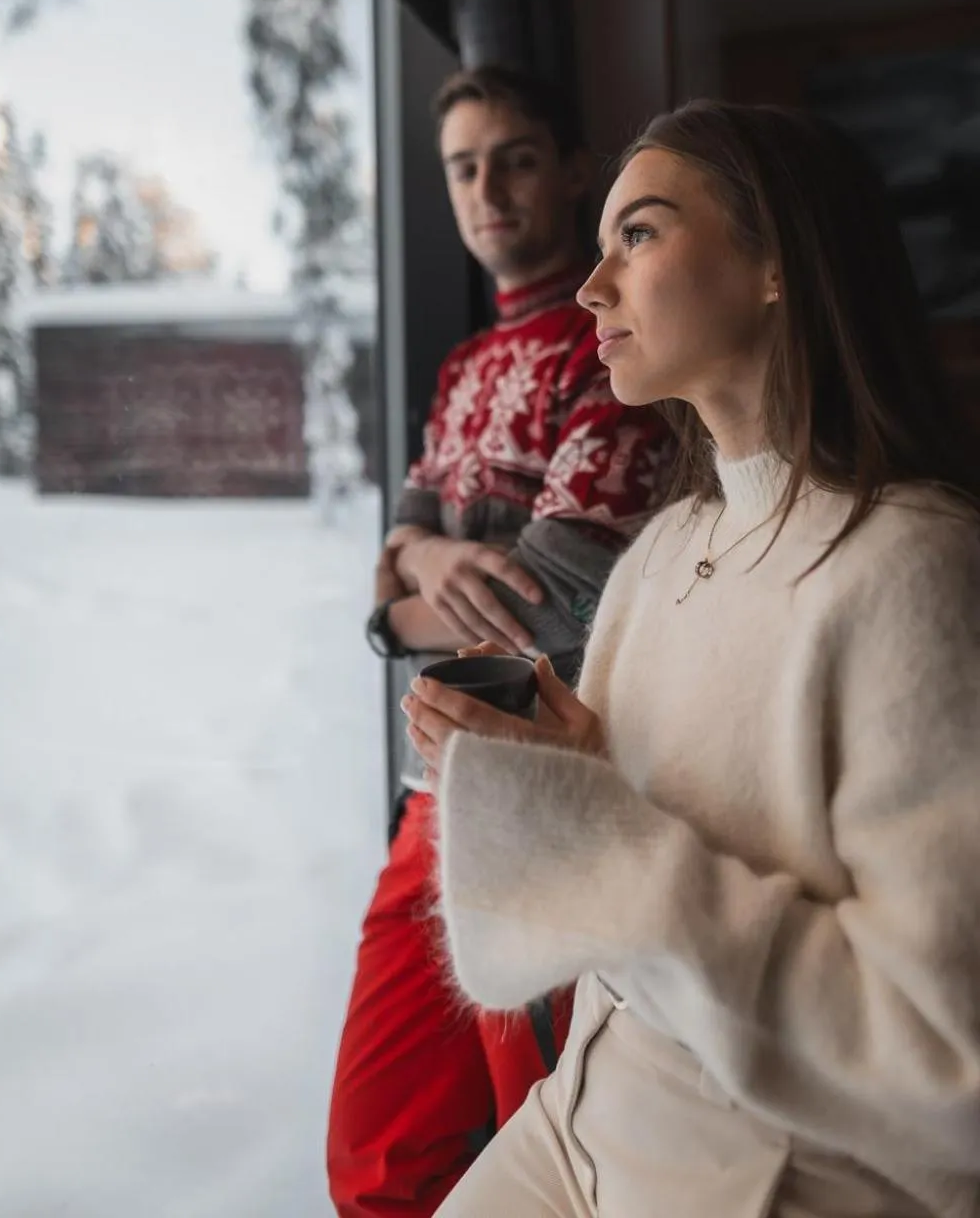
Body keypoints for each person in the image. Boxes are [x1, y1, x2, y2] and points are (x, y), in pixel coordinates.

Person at [406, 101, 980, 1218]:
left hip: (767, 1169)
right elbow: (627, 855)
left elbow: (946, 1063)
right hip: (581, 1110)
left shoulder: (915, 573)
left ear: (776, 265)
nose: (589, 285)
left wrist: (597, 831)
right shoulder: (667, 548)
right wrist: (555, 773)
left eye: (640, 234)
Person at [326, 66, 673, 1218]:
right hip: (435, 791)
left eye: (516, 156)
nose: (487, 188)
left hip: (551, 791)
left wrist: (387, 614)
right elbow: (400, 544)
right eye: (463, 166)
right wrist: (419, 568)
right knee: (377, 1163)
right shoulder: (463, 368)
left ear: (573, 169)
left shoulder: (616, 345)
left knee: (558, 1148)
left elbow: (551, 599)